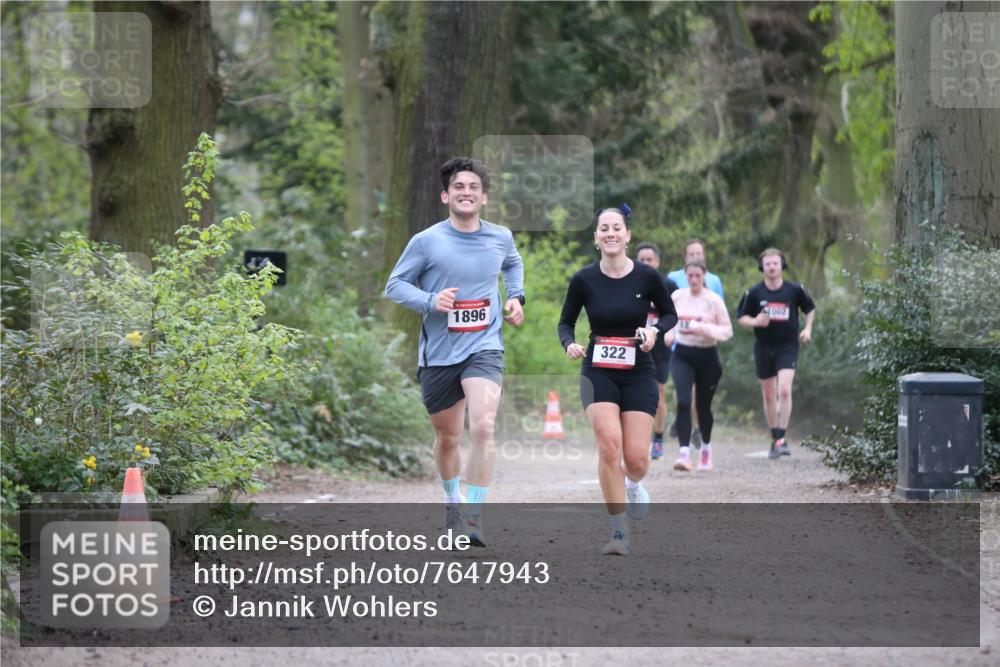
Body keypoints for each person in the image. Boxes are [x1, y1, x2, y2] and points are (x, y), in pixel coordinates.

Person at [384, 156, 525, 546]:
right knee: (448, 438)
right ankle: (452, 501)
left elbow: (512, 265)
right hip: (439, 354)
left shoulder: (500, 237)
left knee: (482, 426)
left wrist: (516, 298)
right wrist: (431, 301)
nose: (466, 193)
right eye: (459, 187)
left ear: (484, 198)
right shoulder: (426, 241)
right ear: (446, 195)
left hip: (484, 346)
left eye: (474, 188)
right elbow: (395, 286)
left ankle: (475, 516)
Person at [558, 206, 677, 556]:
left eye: (616, 228)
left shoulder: (646, 276)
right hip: (598, 370)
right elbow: (565, 321)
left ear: (627, 235)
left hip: (639, 370)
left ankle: (634, 484)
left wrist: (654, 330)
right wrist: (570, 344)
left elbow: (671, 314)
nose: (610, 233)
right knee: (609, 446)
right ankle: (619, 531)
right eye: (603, 229)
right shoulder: (584, 279)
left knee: (637, 459)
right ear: (596, 238)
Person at [736, 248, 816, 459]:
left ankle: (782, 437)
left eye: (775, 263)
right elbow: (741, 317)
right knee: (769, 393)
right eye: (768, 263)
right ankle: (774, 437)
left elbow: (810, 308)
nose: (771, 267)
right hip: (764, 346)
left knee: (785, 390)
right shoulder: (753, 293)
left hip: (787, 345)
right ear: (762, 267)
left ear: (782, 266)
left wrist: (807, 329)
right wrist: (755, 321)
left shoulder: (795, 289)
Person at [664, 259, 733, 472]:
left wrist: (704, 328)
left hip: (707, 356)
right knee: (683, 401)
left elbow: (727, 331)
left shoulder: (713, 300)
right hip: (682, 354)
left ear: (704, 276)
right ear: (686, 276)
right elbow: (669, 322)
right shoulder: (677, 297)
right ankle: (684, 453)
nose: (693, 280)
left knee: (703, 407)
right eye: (690, 276)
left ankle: (705, 448)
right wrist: (669, 334)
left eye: (698, 276)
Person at [666, 239, 725, 448]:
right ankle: (685, 426)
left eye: (698, 254)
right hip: (679, 346)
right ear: (685, 258)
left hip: (704, 346)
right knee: (683, 395)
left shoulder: (714, 282)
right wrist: (668, 333)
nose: (695, 257)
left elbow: (721, 319)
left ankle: (697, 429)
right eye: (691, 254)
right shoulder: (673, 280)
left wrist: (707, 328)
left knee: (700, 399)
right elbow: (666, 310)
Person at [634, 243, 679, 460]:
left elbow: (677, 313)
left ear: (658, 262)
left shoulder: (668, 284)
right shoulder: (629, 280)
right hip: (635, 344)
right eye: (641, 259)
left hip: (660, 346)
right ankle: (639, 438)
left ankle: (658, 438)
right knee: (635, 394)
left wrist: (671, 332)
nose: (645, 263)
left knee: (658, 394)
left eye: (649, 260)